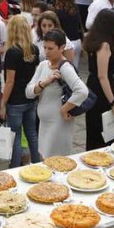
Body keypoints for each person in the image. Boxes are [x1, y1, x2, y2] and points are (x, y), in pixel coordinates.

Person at [26, 29, 89, 157]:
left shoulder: (65, 68)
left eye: (50, 48)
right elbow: (28, 92)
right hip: (44, 123)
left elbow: (82, 91)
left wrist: (64, 109)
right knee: (45, 158)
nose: (46, 52)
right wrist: (45, 82)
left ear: (61, 48)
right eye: (45, 48)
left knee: (56, 161)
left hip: (59, 124)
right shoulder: (43, 65)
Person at [1, 16, 40, 168]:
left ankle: (15, 166)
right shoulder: (34, 49)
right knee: (31, 133)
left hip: (15, 100)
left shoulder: (12, 52)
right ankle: (37, 163)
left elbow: (10, 81)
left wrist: (3, 103)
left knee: (16, 135)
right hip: (30, 98)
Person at [83, 9, 114, 149]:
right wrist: (112, 102)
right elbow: (102, 76)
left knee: (94, 128)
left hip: (92, 85)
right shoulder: (104, 45)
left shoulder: (93, 40)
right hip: (101, 89)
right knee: (105, 129)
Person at [53, 0, 83, 69]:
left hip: (65, 42)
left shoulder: (58, 11)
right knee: (74, 68)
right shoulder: (75, 8)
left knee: (64, 69)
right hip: (77, 40)